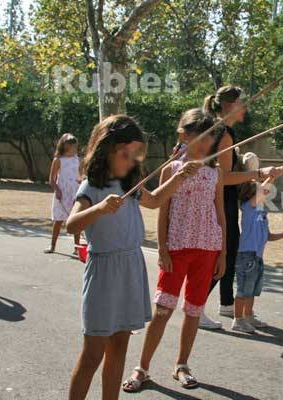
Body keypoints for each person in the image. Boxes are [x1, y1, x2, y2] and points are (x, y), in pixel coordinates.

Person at [66, 114, 202, 400]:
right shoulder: (92, 186)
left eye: (134, 155)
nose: (131, 161)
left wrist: (178, 177)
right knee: (93, 354)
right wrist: (100, 208)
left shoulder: (130, 181)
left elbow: (153, 202)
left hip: (131, 267)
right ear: (106, 149)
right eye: (125, 154)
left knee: (119, 347)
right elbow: (72, 224)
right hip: (104, 272)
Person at [122, 108, 225, 392]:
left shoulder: (214, 172)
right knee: (163, 311)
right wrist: (163, 248)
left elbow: (220, 213)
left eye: (209, 139)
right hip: (177, 249)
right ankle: (142, 368)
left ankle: (182, 365)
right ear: (184, 136)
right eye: (200, 137)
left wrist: (223, 253)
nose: (205, 144)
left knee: (194, 310)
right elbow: (161, 209)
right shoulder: (171, 169)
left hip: (207, 248)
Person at [200, 85, 283, 330]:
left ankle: (226, 304)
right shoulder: (223, 132)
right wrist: (257, 173)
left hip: (222, 199)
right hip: (219, 200)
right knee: (222, 252)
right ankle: (196, 309)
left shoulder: (220, 129)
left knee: (229, 249)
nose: (245, 107)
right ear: (229, 105)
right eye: (242, 102)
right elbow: (223, 178)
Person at [232, 155, 283, 333]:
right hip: (246, 255)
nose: (264, 195)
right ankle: (238, 319)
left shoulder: (261, 214)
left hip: (257, 256)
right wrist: (274, 176)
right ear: (252, 196)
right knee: (244, 289)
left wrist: (281, 235)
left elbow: (267, 236)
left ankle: (248, 315)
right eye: (259, 192)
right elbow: (264, 190)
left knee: (252, 289)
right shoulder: (248, 208)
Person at [44, 133, 81, 254]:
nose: (75, 149)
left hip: (75, 191)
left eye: (76, 147)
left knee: (76, 219)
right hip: (62, 192)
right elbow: (51, 179)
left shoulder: (77, 159)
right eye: (73, 147)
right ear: (66, 146)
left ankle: (77, 247)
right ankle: (52, 245)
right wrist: (57, 190)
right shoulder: (58, 160)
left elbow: (79, 176)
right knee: (58, 220)